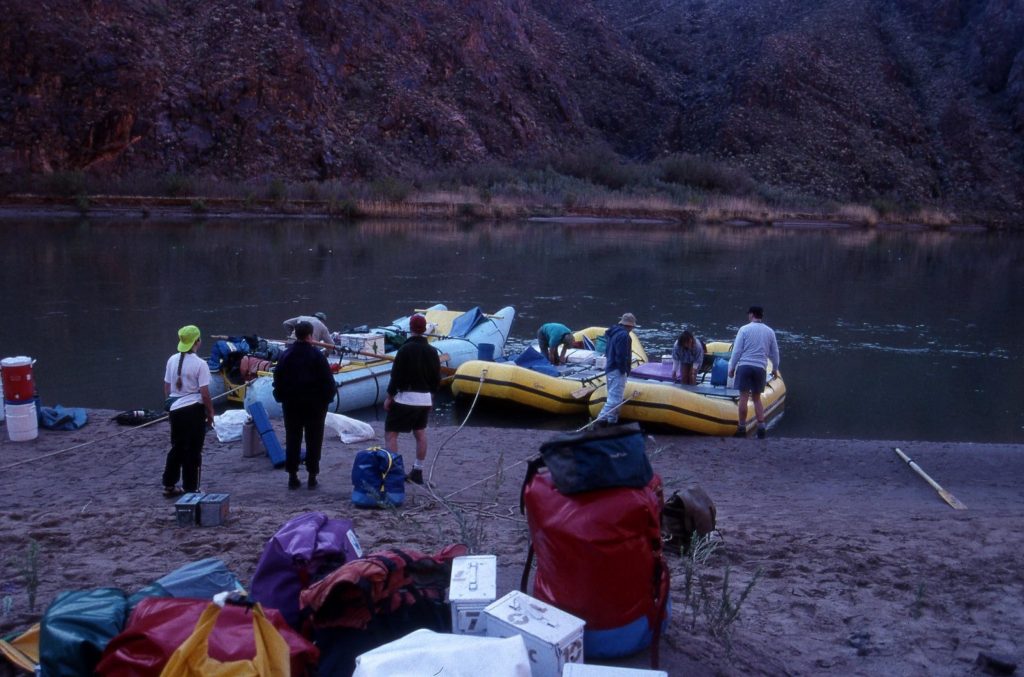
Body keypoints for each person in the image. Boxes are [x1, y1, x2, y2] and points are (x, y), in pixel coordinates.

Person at [273, 321, 337, 489]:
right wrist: (327, 399)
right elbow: (328, 382)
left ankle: (292, 476)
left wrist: (280, 397)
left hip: (291, 404)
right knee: (314, 439)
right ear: (310, 335)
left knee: (293, 438)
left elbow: (277, 379)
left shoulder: (286, 355)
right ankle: (312, 476)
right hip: (315, 405)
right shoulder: (317, 356)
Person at [384, 314, 441, 485]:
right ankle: (418, 470)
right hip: (424, 398)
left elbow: (397, 376)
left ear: (410, 328)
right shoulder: (432, 351)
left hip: (406, 397)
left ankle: (395, 471)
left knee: (391, 434)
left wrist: (389, 396)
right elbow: (436, 378)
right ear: (424, 329)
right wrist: (431, 397)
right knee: (420, 433)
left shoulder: (405, 349)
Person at [162, 325, 215, 497]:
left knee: (177, 447)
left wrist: (170, 406)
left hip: (176, 410)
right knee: (193, 450)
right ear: (197, 341)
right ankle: (191, 488)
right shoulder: (201, 364)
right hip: (193, 411)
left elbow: (167, 386)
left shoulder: (171, 360)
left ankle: (169, 484)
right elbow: (205, 394)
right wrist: (210, 414)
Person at [728, 305, 781, 439]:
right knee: (757, 399)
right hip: (760, 367)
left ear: (751, 315)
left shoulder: (744, 329)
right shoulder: (770, 332)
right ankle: (761, 427)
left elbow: (737, 351)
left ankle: (741, 428)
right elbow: (775, 353)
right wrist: (775, 368)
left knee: (743, 398)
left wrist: (732, 368)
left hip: (745, 366)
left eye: (749, 314)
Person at [592, 313, 638, 427]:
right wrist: (624, 370)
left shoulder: (613, 333)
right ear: (630, 326)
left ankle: (612, 422)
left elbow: (609, 352)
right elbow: (621, 355)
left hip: (610, 367)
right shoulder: (624, 336)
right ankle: (599, 422)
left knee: (614, 397)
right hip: (617, 369)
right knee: (615, 400)